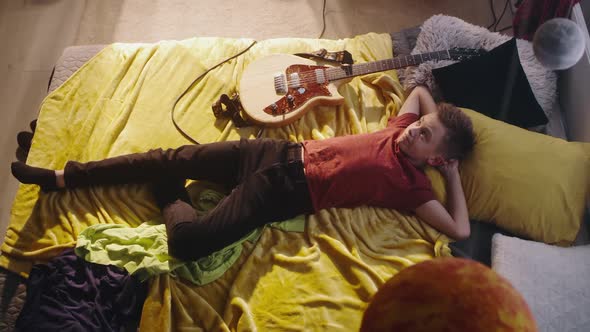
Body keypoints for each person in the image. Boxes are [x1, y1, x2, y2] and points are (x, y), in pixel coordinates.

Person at [11, 85, 475, 261]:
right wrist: (436, 120)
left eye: (425, 136)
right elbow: (416, 91)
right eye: (420, 126)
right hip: (273, 151)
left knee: (188, 246)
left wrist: (451, 174)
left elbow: (458, 227)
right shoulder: (399, 129)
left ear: (435, 158)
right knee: (165, 154)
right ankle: (62, 178)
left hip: (284, 192)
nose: (414, 129)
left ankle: (170, 193)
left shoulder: (411, 186)